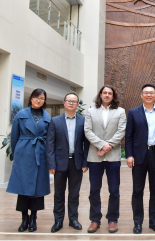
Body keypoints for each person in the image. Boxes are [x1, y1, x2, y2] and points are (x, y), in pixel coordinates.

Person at [125, 84, 155, 234]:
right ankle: (137, 223)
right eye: (146, 93)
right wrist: (129, 155)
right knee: (137, 190)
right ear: (141, 95)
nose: (148, 95)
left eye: (151, 93)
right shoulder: (133, 112)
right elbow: (129, 136)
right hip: (138, 156)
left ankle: (154, 221)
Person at [7, 88, 51, 233]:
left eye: (42, 98)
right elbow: (14, 137)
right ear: (31, 98)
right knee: (23, 188)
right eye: (36, 97)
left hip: (40, 155)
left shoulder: (47, 117)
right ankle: (24, 218)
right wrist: (18, 154)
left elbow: (49, 138)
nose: (39, 100)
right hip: (24, 154)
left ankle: (33, 218)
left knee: (38, 189)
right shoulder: (21, 115)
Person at [83, 85, 127, 233]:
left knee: (114, 190)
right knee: (94, 190)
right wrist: (102, 145)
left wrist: (108, 146)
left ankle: (113, 219)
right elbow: (87, 131)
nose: (107, 95)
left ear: (113, 96)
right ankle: (95, 220)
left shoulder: (120, 111)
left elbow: (121, 130)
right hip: (95, 157)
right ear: (100, 95)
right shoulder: (91, 111)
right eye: (104, 93)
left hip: (113, 157)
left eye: (110, 93)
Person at [46, 93, 90, 233]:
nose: (71, 103)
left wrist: (85, 162)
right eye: (69, 101)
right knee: (59, 194)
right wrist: (51, 164)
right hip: (59, 163)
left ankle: (73, 219)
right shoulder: (55, 121)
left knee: (74, 193)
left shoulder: (83, 120)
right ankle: (58, 221)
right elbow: (50, 144)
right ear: (64, 103)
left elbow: (86, 144)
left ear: (77, 104)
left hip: (77, 162)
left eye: (74, 101)